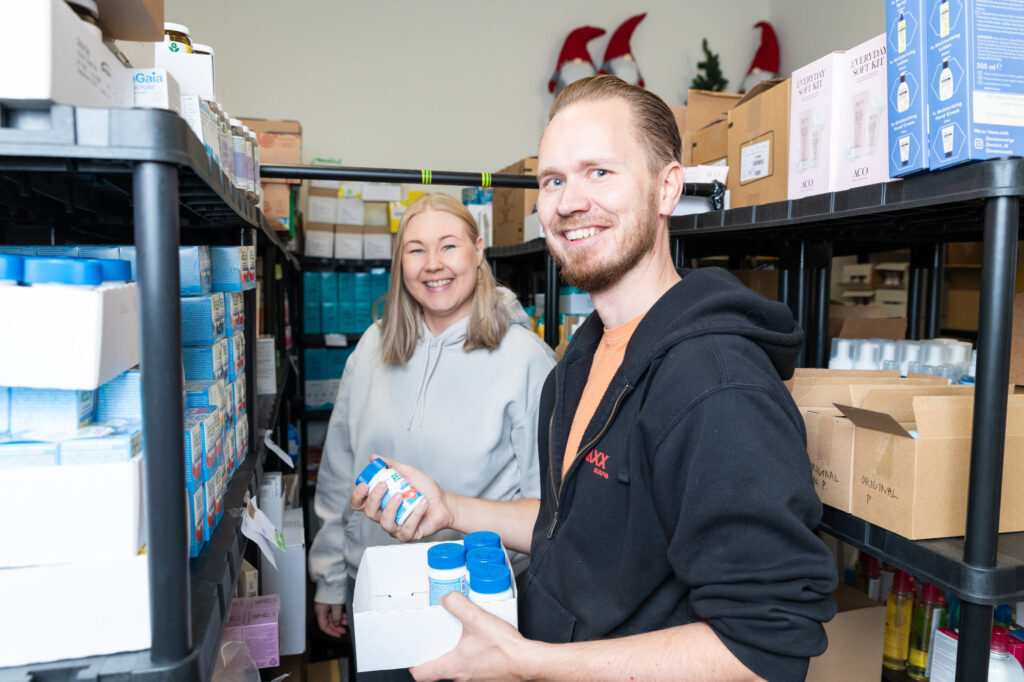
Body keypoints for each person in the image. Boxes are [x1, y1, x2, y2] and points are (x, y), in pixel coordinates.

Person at [352, 75, 838, 682]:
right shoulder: (579, 362)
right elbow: (571, 529)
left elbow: (764, 649)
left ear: (667, 189)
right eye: (554, 180)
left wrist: (531, 664)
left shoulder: (717, 386)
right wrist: (451, 508)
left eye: (600, 173)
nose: (569, 201)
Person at [308, 193, 557, 667]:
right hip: (381, 598)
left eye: (448, 246)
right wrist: (329, 576)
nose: (432, 264)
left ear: (478, 251)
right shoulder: (372, 348)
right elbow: (341, 470)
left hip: (482, 608)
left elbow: (547, 508)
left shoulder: (526, 359)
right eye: (416, 249)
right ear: (400, 261)